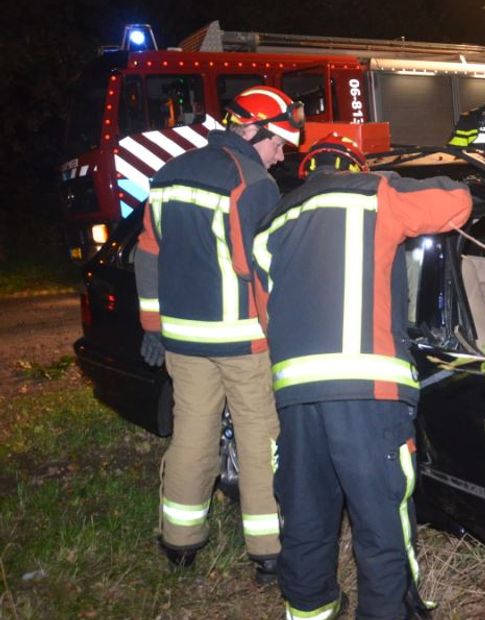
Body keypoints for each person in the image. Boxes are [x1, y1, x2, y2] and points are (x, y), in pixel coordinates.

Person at [252, 133, 473, 620]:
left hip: (295, 396)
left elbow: (268, 312)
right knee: (380, 522)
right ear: (357, 166)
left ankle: (311, 611)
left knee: (306, 516)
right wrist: (396, 177)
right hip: (368, 393)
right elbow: (456, 202)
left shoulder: (272, 224)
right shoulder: (376, 193)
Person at [134, 85, 303, 584]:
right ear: (253, 129)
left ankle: (179, 542)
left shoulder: (167, 174)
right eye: (278, 145)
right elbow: (261, 270)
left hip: (183, 341)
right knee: (259, 437)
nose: (278, 158)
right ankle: (269, 550)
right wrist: (284, 335)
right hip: (242, 339)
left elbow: (147, 253)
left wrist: (152, 325)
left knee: (191, 434)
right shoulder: (252, 183)